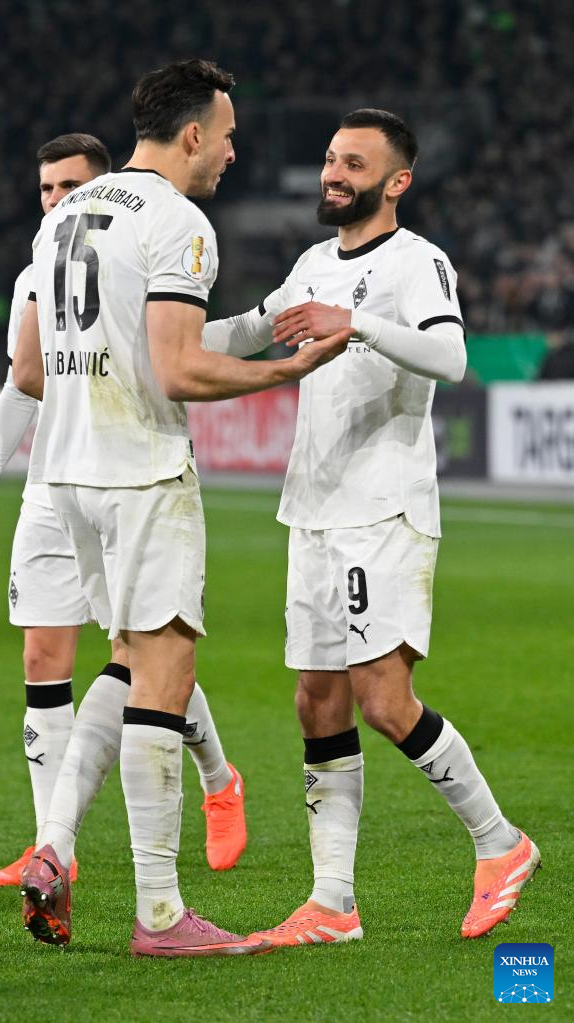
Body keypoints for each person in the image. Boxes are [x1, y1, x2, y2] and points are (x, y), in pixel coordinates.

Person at [12, 59, 352, 957]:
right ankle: (161, 913)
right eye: (228, 135)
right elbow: (177, 368)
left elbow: (40, 364)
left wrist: (262, 323)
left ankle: (53, 843)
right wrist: (288, 369)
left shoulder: (65, 216)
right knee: (164, 675)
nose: (233, 152)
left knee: (127, 662)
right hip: (142, 473)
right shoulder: (178, 220)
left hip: (68, 474)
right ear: (193, 133)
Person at [202, 108, 540, 946]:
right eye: (330, 158)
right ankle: (332, 902)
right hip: (313, 509)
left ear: (397, 182)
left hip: (384, 508)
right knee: (316, 698)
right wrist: (152, 340)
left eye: (353, 163)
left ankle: (501, 842)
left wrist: (355, 324)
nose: (333, 173)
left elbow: (451, 357)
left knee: (385, 700)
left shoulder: (418, 262)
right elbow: (251, 330)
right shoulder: (314, 263)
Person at [0, 132, 247, 894]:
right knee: (46, 659)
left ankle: (219, 778)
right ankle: (53, 846)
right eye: (46, 189)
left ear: (102, 185)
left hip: (121, 469)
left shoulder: (132, 241)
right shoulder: (39, 265)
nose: (56, 201)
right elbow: (21, 381)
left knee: (144, 650)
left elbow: (162, 352)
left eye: (69, 186)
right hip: (54, 480)